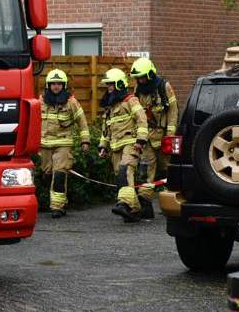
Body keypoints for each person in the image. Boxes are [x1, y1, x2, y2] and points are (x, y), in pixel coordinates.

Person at [98, 68, 151, 223]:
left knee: (125, 169)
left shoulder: (131, 101)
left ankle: (124, 204)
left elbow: (142, 119)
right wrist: (103, 146)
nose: (108, 88)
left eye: (111, 85)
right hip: (115, 147)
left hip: (131, 144)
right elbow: (105, 130)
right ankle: (134, 210)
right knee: (122, 177)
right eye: (107, 85)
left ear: (120, 84)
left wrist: (141, 140)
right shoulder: (110, 107)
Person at [39, 69, 90, 218]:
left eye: (59, 84)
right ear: (48, 85)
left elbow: (82, 123)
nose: (56, 86)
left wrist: (85, 141)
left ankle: (57, 207)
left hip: (63, 144)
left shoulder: (71, 102)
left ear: (64, 85)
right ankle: (57, 201)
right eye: (53, 83)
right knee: (47, 175)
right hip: (44, 145)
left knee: (59, 174)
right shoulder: (41, 102)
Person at [130, 57, 178, 184]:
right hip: (147, 137)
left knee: (169, 168)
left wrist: (170, 135)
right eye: (138, 77)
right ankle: (145, 200)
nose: (140, 80)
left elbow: (173, 111)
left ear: (150, 74)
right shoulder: (138, 89)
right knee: (145, 170)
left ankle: (170, 194)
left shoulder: (164, 86)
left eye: (142, 76)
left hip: (164, 135)